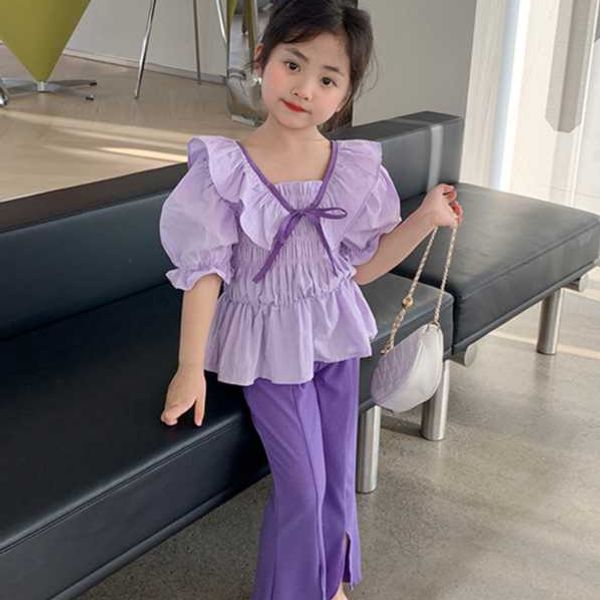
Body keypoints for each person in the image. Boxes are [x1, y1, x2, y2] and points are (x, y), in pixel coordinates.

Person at [158, 1, 463, 598]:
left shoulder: (352, 168)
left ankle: (332, 584)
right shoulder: (225, 169)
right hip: (267, 347)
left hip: (334, 335)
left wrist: (426, 217)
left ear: (345, 93)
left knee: (336, 476)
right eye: (292, 65)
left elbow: (360, 269)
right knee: (303, 485)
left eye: (328, 79)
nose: (304, 89)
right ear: (261, 60)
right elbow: (205, 273)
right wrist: (190, 367)